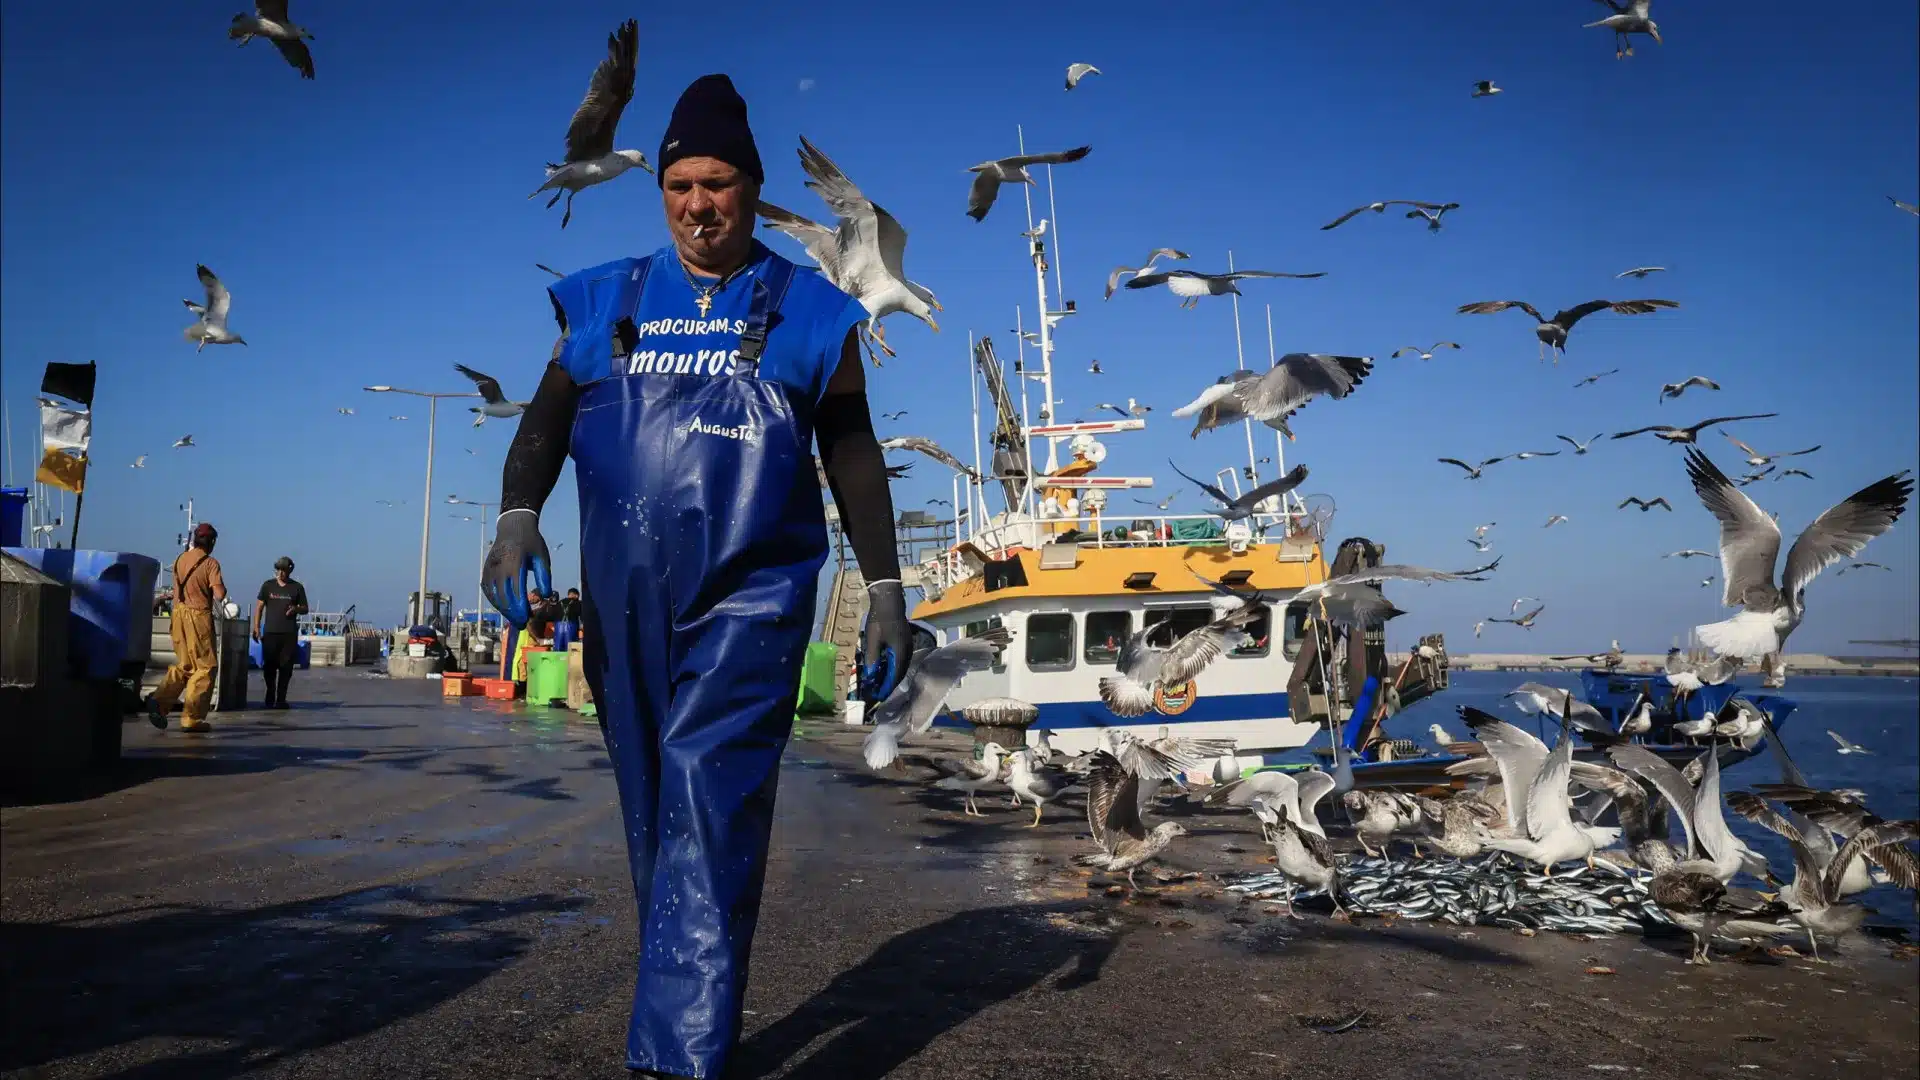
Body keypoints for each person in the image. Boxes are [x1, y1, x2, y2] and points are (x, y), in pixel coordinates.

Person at [480, 73, 911, 1080]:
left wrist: (886, 589)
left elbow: (852, 451)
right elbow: (543, 424)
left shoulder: (808, 310)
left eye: (718, 184)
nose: (698, 205)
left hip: (749, 603)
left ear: (752, 190)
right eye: (679, 185)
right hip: (626, 603)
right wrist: (514, 518)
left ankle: (675, 1060)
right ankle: (687, 1014)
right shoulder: (607, 299)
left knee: (708, 803)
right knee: (657, 817)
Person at [145, 522, 228, 732]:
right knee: (205, 667)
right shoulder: (210, 564)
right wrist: (221, 589)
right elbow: (219, 594)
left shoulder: (180, 559)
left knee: (186, 665)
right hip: (198, 616)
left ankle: (159, 699)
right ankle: (192, 717)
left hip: (178, 615)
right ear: (211, 542)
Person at [252, 556, 309, 709]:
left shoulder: (297, 588)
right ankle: (270, 692)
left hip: (288, 634)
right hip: (270, 633)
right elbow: (259, 607)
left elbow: (305, 608)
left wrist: (295, 609)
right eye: (278, 569)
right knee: (269, 666)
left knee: (286, 667)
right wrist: (256, 627)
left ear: (289, 571)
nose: (280, 573)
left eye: (283, 570)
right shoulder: (268, 586)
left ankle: (281, 698)